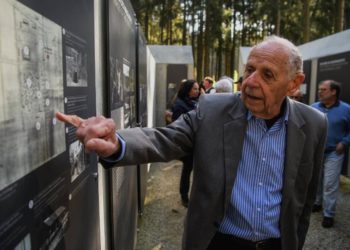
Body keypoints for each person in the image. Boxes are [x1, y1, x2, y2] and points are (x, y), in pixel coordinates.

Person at [56, 36, 327, 250]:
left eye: (267, 75)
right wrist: (116, 142)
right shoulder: (212, 110)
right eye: (250, 69)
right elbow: (165, 138)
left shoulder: (314, 123)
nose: (250, 82)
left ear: (294, 84)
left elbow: (303, 200)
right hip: (218, 243)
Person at [311, 80, 350, 228]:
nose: (319, 92)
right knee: (316, 180)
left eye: (323, 90)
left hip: (334, 152)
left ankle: (328, 214)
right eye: (319, 89)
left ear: (333, 92)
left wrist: (345, 142)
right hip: (316, 151)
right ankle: (317, 202)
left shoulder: (346, 109)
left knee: (330, 184)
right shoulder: (314, 107)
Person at [171, 79, 199, 207]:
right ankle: (184, 196)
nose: (197, 91)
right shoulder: (180, 105)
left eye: (198, 89)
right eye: (195, 89)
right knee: (187, 170)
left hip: (197, 143)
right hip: (187, 144)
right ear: (188, 90)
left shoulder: (196, 102)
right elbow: (176, 126)